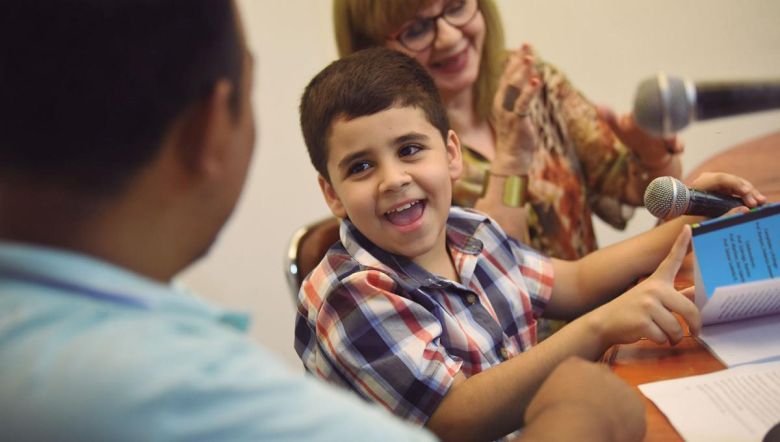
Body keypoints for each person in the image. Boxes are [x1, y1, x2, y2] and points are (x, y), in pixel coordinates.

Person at [0, 1, 647, 441]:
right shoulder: (185, 396)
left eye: (456, 6)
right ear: (211, 129)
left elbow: (570, 269)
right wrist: (578, 411)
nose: (395, 180)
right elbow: (455, 415)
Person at [294, 47, 766, 442]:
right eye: (360, 167)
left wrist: (694, 216)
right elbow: (453, 417)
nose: (393, 179)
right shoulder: (349, 295)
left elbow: (575, 279)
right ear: (331, 193)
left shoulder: (469, 229)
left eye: (410, 150)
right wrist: (600, 326)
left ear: (451, 153)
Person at [332, 0, 683, 260]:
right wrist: (512, 155)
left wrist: (651, 151)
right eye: (416, 30)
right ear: (372, 50)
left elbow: (646, 192)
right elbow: (496, 265)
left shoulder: (530, 80)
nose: (450, 37)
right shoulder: (397, 154)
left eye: (456, 6)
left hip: (607, 322)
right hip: (510, 353)